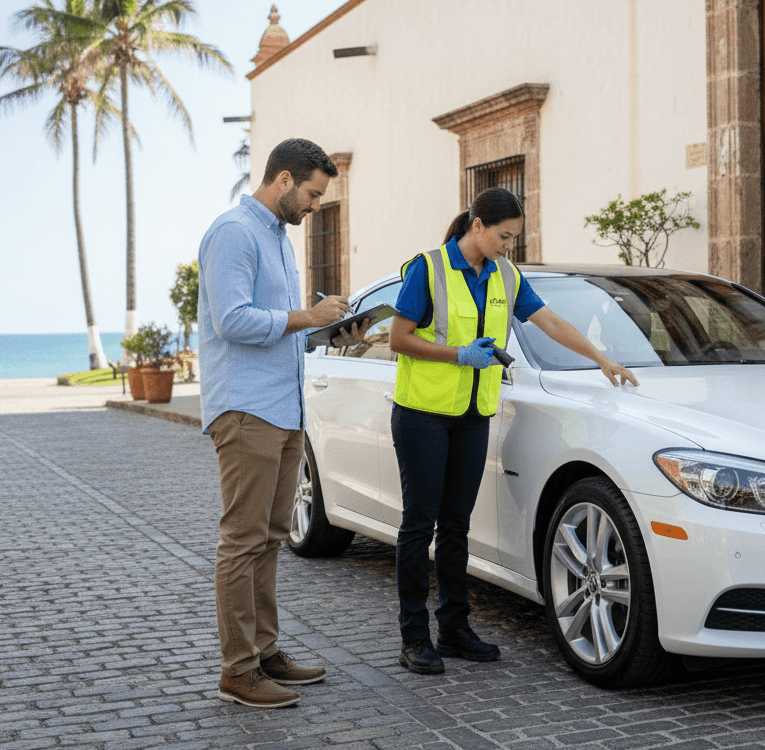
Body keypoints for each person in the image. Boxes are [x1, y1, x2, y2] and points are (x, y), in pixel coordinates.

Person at [388, 187, 640, 674]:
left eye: (514, 238)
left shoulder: (505, 273)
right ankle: (414, 636)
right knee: (419, 525)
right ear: (477, 225)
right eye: (504, 236)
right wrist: (460, 355)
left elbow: (548, 320)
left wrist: (602, 359)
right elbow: (399, 338)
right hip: (422, 413)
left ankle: (454, 629)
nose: (509, 245)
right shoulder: (429, 268)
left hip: (471, 414)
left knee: (457, 525)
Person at [198, 138, 368, 708]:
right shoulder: (234, 233)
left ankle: (265, 653)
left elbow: (279, 326)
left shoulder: (275, 238)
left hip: (282, 408)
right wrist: (307, 315)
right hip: (246, 410)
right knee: (242, 542)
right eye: (314, 194)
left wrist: (328, 331)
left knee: (270, 539)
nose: (316, 206)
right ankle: (237, 670)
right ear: (285, 181)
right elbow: (233, 321)